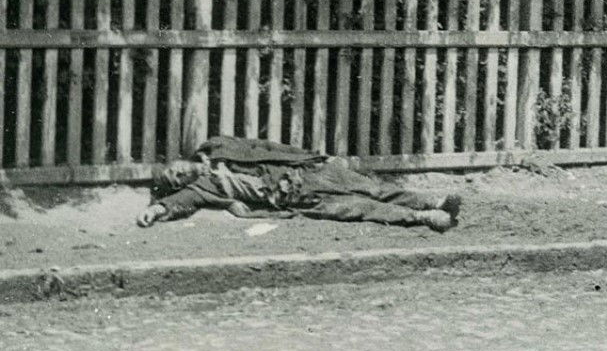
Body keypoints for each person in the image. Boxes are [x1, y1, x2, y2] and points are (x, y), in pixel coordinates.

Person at [137, 136, 462, 232]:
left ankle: (432, 201)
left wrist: (312, 157)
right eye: (174, 180)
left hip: (307, 171)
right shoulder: (203, 188)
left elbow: (267, 148)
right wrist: (156, 209)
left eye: (174, 170)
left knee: (373, 187)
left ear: (177, 160)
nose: (179, 175)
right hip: (296, 198)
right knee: (359, 208)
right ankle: (424, 218)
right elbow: (178, 203)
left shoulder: (217, 145)